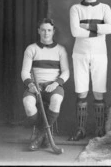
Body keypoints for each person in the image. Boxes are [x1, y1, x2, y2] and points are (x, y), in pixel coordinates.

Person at [69, 0, 111, 141]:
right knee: (81, 91)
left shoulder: (104, 8)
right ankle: (80, 129)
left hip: (99, 54)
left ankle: (100, 130)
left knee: (98, 92)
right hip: (80, 53)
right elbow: (75, 32)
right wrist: (98, 30)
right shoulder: (75, 8)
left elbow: (110, 28)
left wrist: (87, 26)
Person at [21, 18, 70, 151]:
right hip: (35, 85)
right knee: (28, 105)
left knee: (56, 100)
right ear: (38, 31)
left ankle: (40, 135)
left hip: (53, 85)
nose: (46, 33)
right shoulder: (31, 49)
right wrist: (30, 85)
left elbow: (66, 72)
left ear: (53, 31)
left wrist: (56, 84)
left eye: (49, 30)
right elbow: (25, 72)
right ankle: (45, 135)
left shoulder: (60, 50)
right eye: (43, 30)